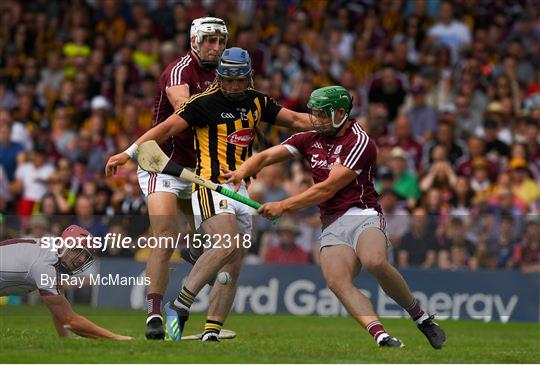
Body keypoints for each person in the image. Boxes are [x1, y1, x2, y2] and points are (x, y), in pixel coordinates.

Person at [105, 47, 311, 341]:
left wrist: (332, 124)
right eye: (228, 80)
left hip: (241, 188)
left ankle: (211, 331)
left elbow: (298, 121)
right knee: (225, 244)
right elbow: (163, 130)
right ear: (219, 77)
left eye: (240, 80)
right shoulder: (202, 104)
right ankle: (179, 304)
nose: (234, 86)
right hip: (209, 185)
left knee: (233, 264)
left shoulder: (258, 101)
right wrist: (127, 153)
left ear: (249, 77)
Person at [224, 86, 446, 349]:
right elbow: (268, 155)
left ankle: (421, 318)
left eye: (322, 115)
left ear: (341, 113)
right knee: (336, 281)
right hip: (331, 220)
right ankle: (381, 336)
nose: (315, 120)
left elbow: (327, 188)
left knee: (374, 261)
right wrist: (241, 172)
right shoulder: (310, 138)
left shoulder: (360, 142)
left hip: (362, 213)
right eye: (314, 114)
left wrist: (283, 205)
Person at [135, 17, 228, 340]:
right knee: (165, 234)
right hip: (162, 164)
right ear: (194, 42)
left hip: (199, 171)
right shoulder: (179, 72)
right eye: (209, 41)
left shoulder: (228, 73)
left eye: (220, 42)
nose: (215, 48)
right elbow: (185, 109)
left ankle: (192, 252)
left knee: (212, 239)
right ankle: (154, 314)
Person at [0, 225, 131, 340]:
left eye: (85, 256)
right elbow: (69, 320)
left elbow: (58, 310)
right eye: (79, 252)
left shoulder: (49, 252)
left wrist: (64, 341)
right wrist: (115, 337)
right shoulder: (47, 265)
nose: (81, 260)